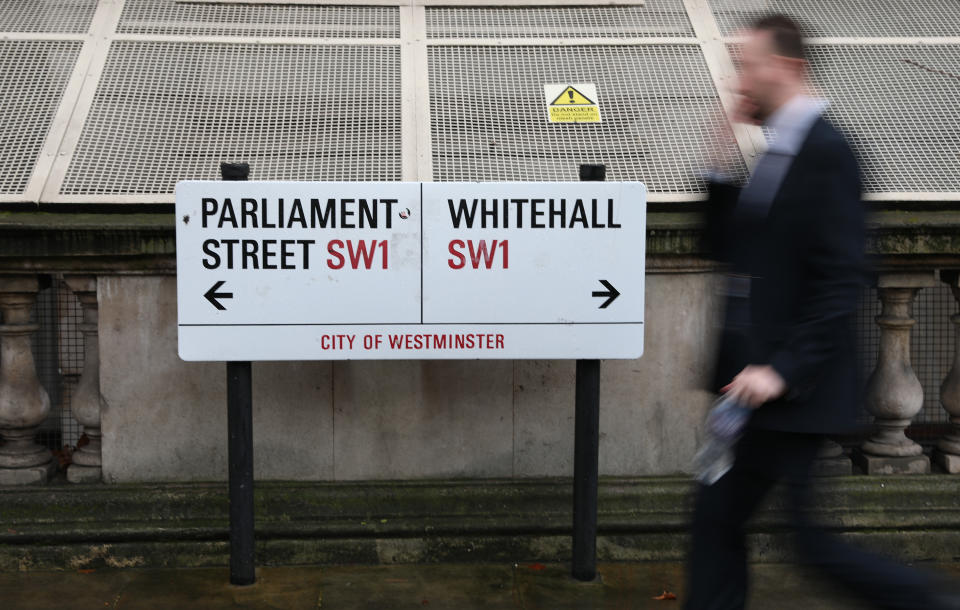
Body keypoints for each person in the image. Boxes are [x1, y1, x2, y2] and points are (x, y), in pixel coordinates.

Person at [685, 13, 958, 610]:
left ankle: (930, 602)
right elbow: (728, 247)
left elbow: (842, 279)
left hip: (791, 392)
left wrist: (780, 369)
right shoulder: (779, 148)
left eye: (749, 66)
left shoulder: (828, 150)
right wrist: (717, 151)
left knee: (799, 542)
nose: (740, 79)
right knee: (718, 520)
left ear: (788, 67)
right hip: (757, 390)